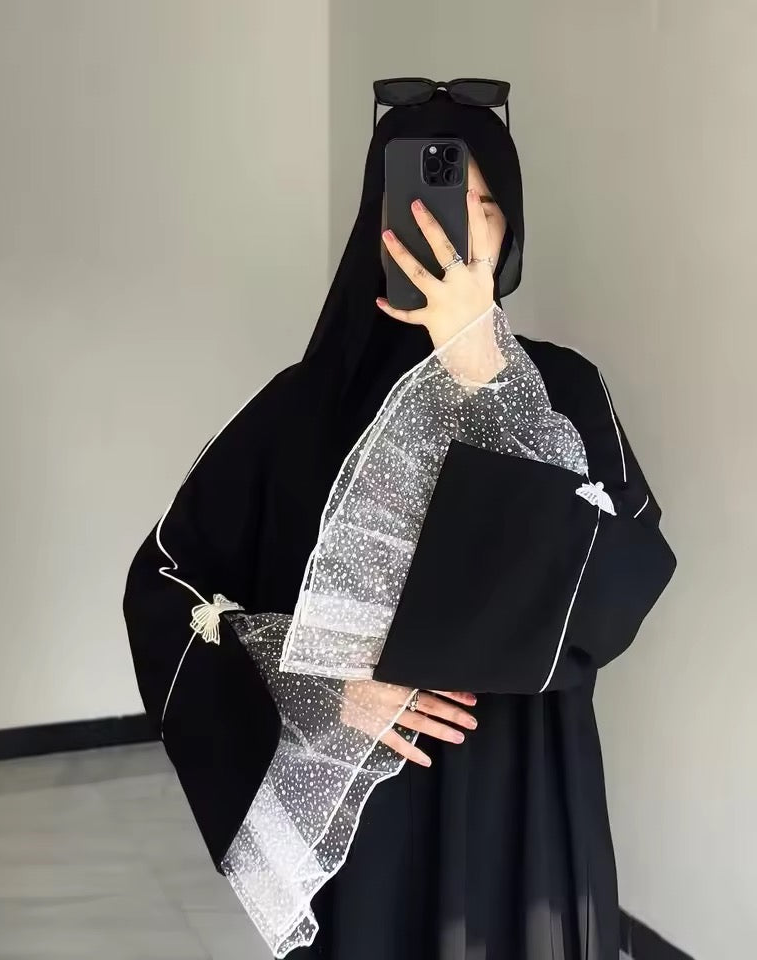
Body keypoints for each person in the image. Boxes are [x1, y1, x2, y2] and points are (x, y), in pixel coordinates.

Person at [123, 89, 676, 960]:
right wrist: (317, 687)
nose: (460, 228)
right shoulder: (301, 410)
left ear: (511, 229)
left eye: (484, 205)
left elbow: (621, 592)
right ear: (377, 227)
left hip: (526, 809)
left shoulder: (565, 389)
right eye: (430, 202)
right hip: (371, 833)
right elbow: (164, 587)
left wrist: (486, 371)